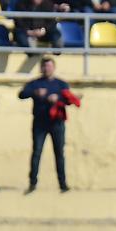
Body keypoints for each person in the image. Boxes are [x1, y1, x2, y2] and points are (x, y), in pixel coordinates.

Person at [18, 58, 78, 193]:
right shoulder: (35, 83)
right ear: (41, 68)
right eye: (45, 66)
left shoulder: (61, 84)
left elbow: (69, 100)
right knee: (37, 152)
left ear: (54, 68)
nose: (47, 69)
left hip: (57, 123)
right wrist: (35, 93)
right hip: (40, 122)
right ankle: (32, 183)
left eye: (49, 66)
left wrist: (58, 98)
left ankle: (62, 184)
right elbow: (21, 94)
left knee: (59, 153)